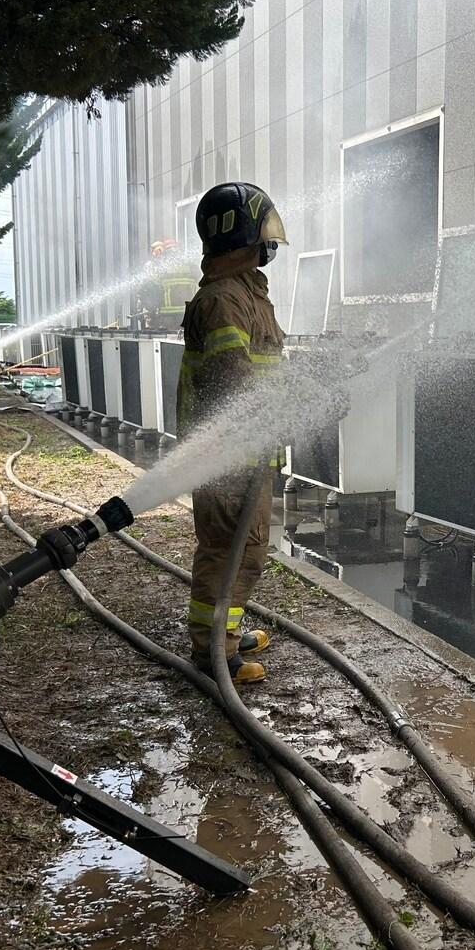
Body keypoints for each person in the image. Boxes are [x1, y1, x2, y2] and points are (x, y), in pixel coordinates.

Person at [180, 182, 287, 682]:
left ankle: (225, 631)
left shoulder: (246, 292)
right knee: (230, 550)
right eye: (264, 233)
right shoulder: (225, 298)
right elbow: (233, 376)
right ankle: (211, 652)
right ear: (240, 234)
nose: (271, 244)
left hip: (247, 451)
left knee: (246, 549)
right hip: (227, 456)